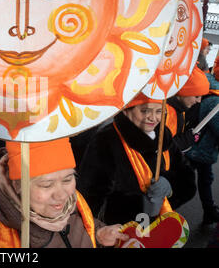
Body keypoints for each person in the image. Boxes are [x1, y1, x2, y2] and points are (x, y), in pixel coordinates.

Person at [0, 138, 129, 248]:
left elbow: (77, 228)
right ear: (17, 186)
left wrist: (98, 235)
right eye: (47, 185)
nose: (62, 195)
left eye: (68, 179)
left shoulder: (72, 203)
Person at [77, 93, 196, 225]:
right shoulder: (105, 141)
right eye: (145, 111)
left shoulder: (163, 136)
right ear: (127, 110)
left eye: (159, 111)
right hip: (122, 234)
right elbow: (91, 201)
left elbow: (187, 178)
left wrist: (170, 187)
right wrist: (141, 206)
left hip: (161, 226)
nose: (153, 118)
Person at [185, 72, 219, 224]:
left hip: (197, 147)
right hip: (198, 149)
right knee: (183, 183)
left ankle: (209, 210)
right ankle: (162, 216)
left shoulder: (208, 88)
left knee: (205, 179)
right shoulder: (214, 100)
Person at [166, 66, 210, 153]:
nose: (199, 101)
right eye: (196, 96)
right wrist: (186, 139)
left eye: (201, 97)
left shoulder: (180, 109)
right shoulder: (167, 112)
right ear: (184, 92)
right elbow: (162, 148)